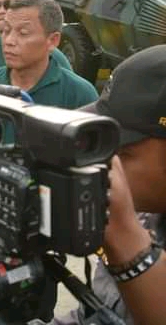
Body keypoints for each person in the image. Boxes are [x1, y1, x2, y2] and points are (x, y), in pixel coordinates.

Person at [52, 45, 166, 325]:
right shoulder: (144, 214)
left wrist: (127, 244)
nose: (105, 164)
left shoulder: (127, 224)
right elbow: (98, 317)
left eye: (122, 152)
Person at [0, 0, 98, 143]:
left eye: (23, 33)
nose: (9, 41)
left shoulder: (79, 94)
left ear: (53, 40)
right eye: (5, 31)